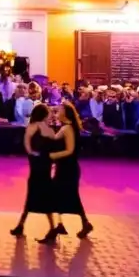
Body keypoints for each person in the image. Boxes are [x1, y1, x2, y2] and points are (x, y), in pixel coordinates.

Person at [45, 101, 93, 242]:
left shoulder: (68, 129)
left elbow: (69, 150)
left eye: (59, 111)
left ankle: (60, 226)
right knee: (66, 198)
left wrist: (52, 156)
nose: (57, 113)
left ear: (65, 113)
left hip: (68, 169)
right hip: (65, 167)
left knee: (58, 196)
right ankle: (72, 224)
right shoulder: (65, 127)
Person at [11, 103, 57, 240]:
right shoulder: (50, 130)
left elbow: (27, 144)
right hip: (46, 165)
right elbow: (54, 147)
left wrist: (33, 154)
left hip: (37, 165)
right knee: (45, 198)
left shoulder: (33, 127)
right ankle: (50, 227)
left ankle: (21, 225)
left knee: (32, 197)